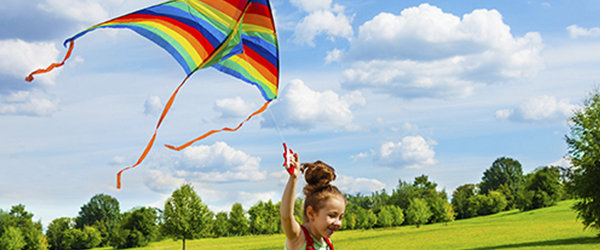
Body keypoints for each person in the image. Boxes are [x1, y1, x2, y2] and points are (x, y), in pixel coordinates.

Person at [280, 153, 345, 250]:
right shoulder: (298, 238)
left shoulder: (326, 242)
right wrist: (293, 177)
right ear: (311, 213)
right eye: (332, 216)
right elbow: (286, 217)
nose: (338, 223)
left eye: (340, 217)